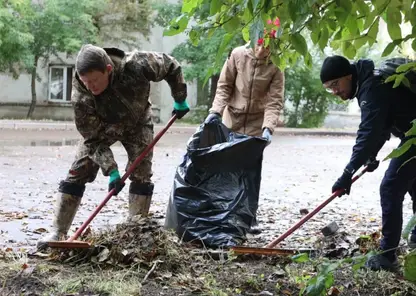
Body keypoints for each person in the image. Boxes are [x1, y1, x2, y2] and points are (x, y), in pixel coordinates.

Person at [37, 44, 189, 249]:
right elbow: (91, 139)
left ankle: (136, 230)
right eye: (85, 81)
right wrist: (112, 170)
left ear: (108, 69)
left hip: (138, 123)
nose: (90, 86)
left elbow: (171, 66)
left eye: (95, 80)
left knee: (141, 172)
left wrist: (179, 97)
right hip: (101, 128)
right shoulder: (81, 95)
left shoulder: (138, 64)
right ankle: (58, 231)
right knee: (78, 170)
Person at [320, 55, 416, 272]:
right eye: (329, 88)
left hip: (414, 137)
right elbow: (382, 126)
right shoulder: (369, 83)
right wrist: (371, 156)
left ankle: (386, 255)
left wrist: (347, 172)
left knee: (391, 186)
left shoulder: (371, 89)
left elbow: (368, 133)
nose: (334, 91)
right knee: (409, 180)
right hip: (412, 136)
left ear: (349, 75)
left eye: (336, 84)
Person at [204, 34, 285, 233]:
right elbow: (224, 87)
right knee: (227, 170)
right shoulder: (238, 55)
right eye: (259, 44)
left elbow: (274, 101)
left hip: (257, 125)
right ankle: (224, 215)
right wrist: (215, 112)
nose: (262, 50)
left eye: (267, 47)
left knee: (251, 172)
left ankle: (249, 218)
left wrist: (268, 128)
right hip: (233, 120)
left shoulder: (276, 65)